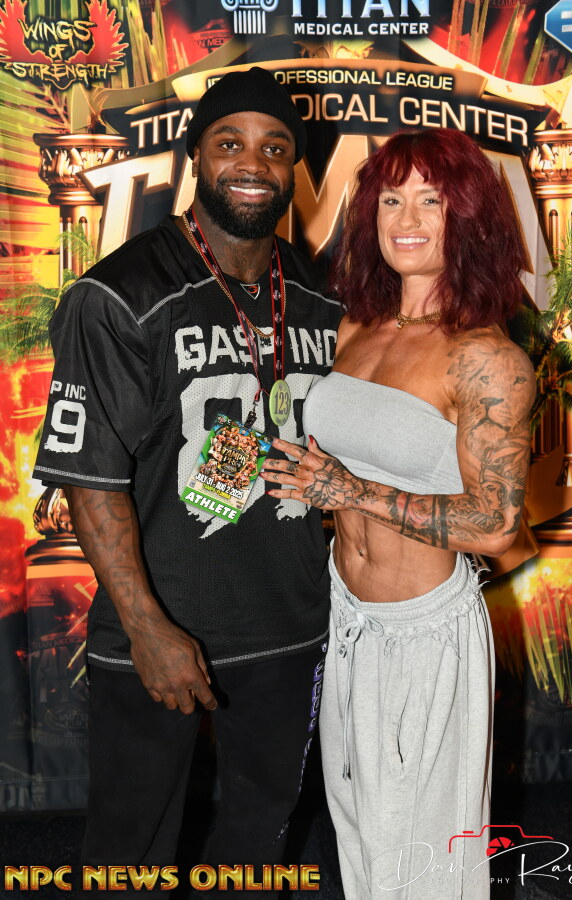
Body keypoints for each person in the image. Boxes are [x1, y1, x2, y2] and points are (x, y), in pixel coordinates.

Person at [33, 67, 340, 891]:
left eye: (275, 147)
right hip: (162, 629)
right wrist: (147, 628)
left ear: (293, 167)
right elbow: (90, 481)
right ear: (195, 158)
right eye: (229, 142)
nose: (253, 163)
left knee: (258, 835)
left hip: (289, 627)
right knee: (128, 849)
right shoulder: (119, 294)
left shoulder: (319, 293)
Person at [261, 128, 536, 899]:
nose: (406, 219)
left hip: (426, 634)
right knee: (358, 832)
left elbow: (496, 525)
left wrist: (350, 492)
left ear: (467, 217)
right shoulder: (356, 326)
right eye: (390, 199)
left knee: (423, 859)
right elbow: (339, 460)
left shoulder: (487, 359)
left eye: (430, 201)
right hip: (347, 619)